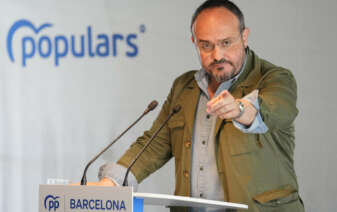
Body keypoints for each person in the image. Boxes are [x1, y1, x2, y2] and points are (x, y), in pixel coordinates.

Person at [94, 0, 305, 211]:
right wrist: (112, 182)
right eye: (206, 45)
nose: (217, 55)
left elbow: (275, 111)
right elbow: (154, 145)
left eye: (226, 43)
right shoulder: (184, 87)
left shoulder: (275, 79)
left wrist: (240, 109)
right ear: (194, 42)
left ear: (244, 36)